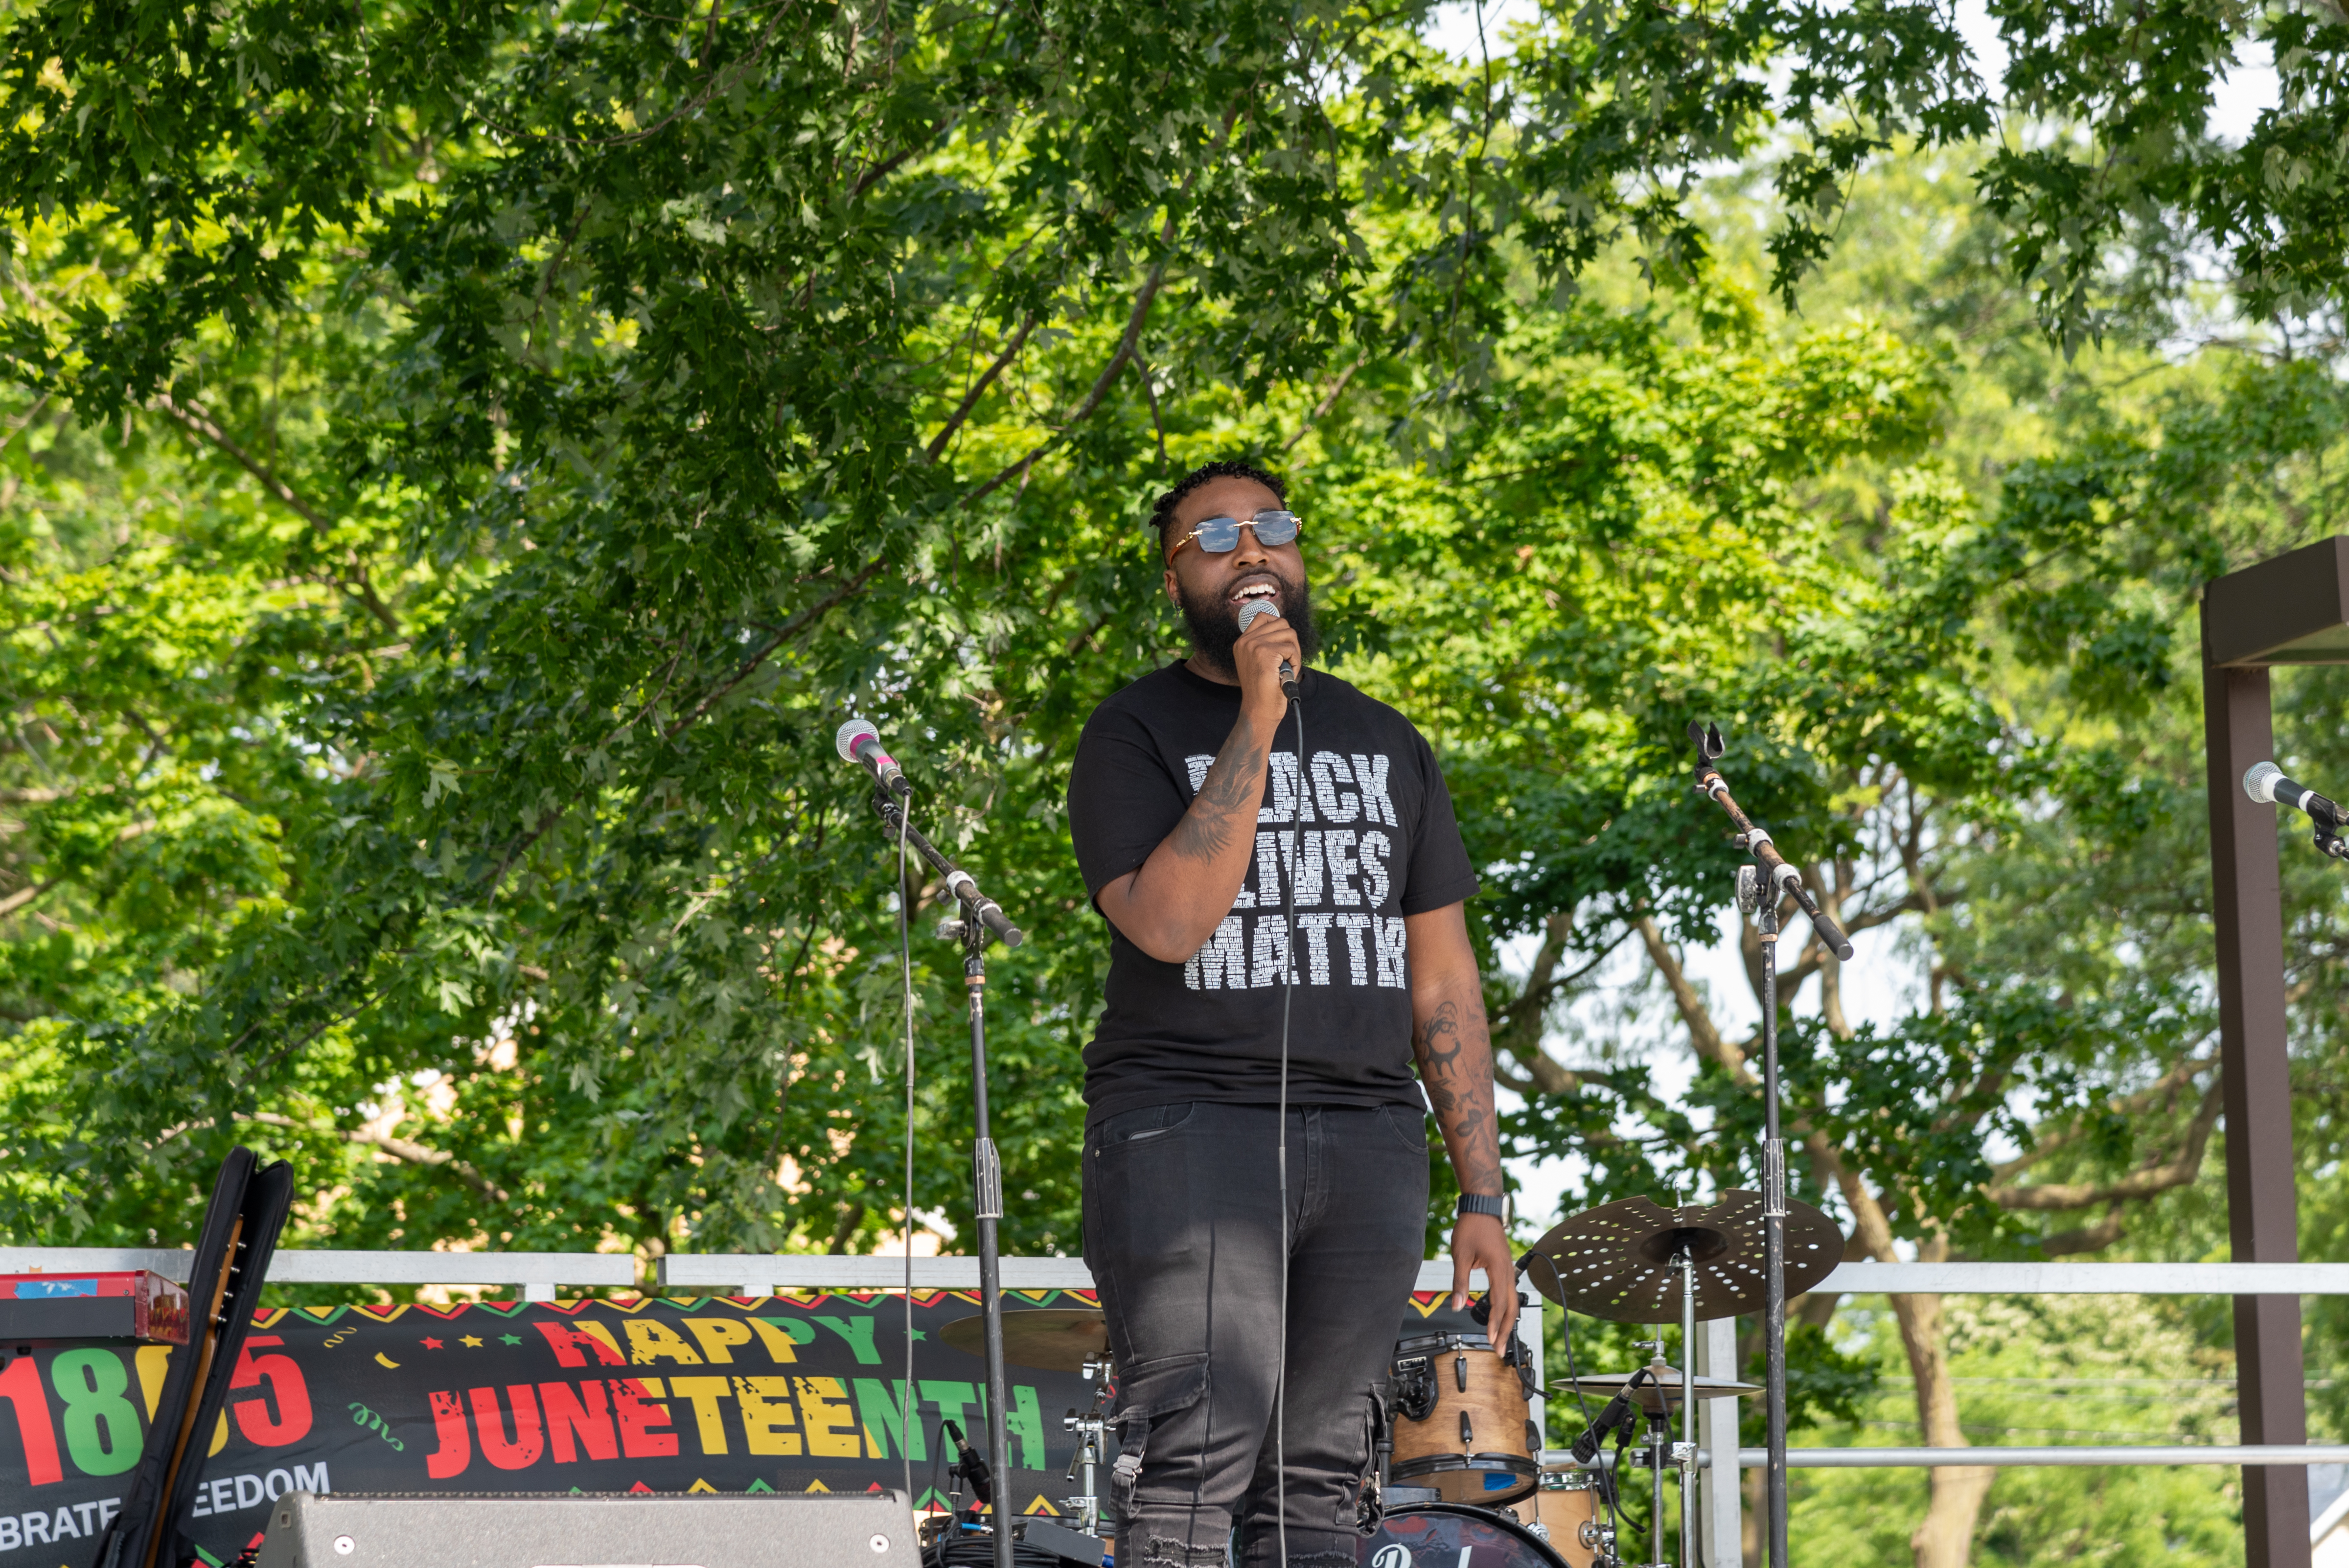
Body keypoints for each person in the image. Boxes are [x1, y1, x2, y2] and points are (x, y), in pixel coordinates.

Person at [1064, 459, 1518, 1568]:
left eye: (1272, 526)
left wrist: (1484, 1191)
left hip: (1367, 1140)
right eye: (1215, 535)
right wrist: (1258, 721)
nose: (1253, 547)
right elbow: (1168, 924)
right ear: (1175, 581)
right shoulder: (1129, 733)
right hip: (1187, 1131)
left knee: (1322, 1483)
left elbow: (1445, 980)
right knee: (1190, 1460)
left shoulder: (1391, 741)